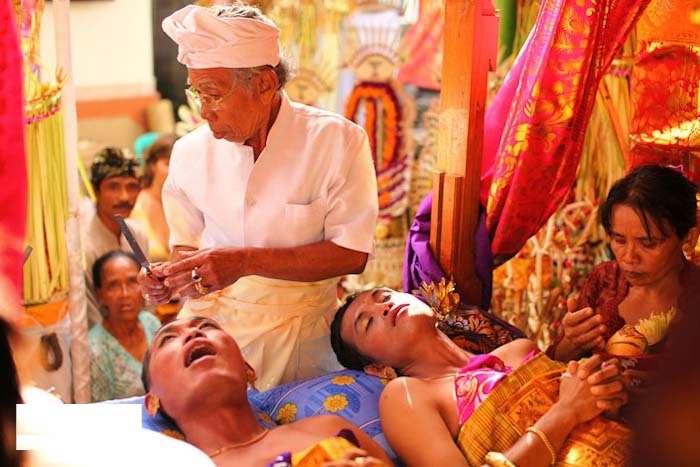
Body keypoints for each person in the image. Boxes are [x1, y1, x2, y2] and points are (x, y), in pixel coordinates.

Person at [139, 4, 378, 389]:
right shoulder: (189, 152)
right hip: (211, 340)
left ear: (265, 84)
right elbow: (186, 249)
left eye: (214, 94)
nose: (205, 112)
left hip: (303, 342)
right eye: (197, 94)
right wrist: (170, 279)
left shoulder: (337, 142)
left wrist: (245, 261)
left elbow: (352, 254)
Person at [331, 288, 630, 467]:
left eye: (384, 296)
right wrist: (565, 413)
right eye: (367, 322)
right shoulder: (407, 394)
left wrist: (604, 391)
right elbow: (569, 410)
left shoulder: (518, 350)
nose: (384, 307)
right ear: (375, 368)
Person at [142, 316, 391, 467]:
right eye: (168, 339)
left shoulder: (329, 429)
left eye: (207, 326)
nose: (193, 333)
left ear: (248, 370)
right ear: (152, 403)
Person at [549, 165, 699, 374]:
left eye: (648, 243)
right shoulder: (605, 280)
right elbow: (555, 366)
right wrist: (573, 341)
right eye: (619, 240)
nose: (629, 258)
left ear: (688, 238)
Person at [84, 147, 149, 326]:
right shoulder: (83, 245)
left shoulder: (138, 235)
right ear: (96, 191)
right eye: (113, 186)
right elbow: (90, 315)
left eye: (132, 187)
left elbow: (148, 297)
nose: (124, 197)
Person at [89, 251, 161, 402]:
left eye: (132, 282)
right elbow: (100, 410)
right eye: (113, 286)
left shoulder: (151, 323)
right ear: (100, 294)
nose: (125, 294)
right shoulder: (95, 350)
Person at [132, 134, 177, 263]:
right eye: (168, 164)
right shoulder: (134, 205)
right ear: (152, 165)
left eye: (180, 165)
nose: (174, 171)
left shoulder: (187, 204)